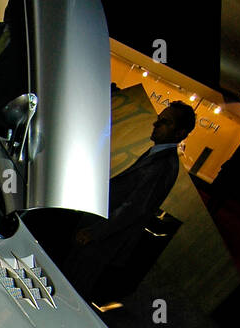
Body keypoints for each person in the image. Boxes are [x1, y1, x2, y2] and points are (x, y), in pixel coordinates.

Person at [63, 101, 197, 300]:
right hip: (99, 236)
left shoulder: (164, 164)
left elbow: (134, 208)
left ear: (179, 133)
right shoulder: (157, 154)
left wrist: (94, 232)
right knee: (68, 283)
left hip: (102, 241)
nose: (156, 124)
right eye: (159, 119)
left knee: (71, 290)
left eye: (164, 122)